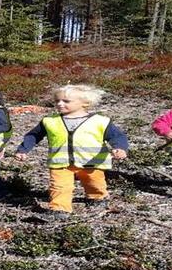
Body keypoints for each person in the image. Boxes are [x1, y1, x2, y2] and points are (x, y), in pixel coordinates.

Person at [14, 85, 129, 222]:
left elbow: (118, 136)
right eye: (57, 101)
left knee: (94, 183)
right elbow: (33, 135)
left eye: (66, 101)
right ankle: (59, 209)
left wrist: (120, 148)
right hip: (60, 163)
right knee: (59, 186)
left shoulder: (100, 121)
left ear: (85, 103)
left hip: (92, 162)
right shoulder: (50, 121)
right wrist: (23, 149)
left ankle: (98, 198)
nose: (60, 104)